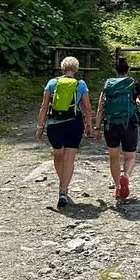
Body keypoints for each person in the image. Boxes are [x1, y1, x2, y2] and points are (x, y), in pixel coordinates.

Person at [36, 57, 93, 209]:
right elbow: (87, 107)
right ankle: (63, 190)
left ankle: (63, 185)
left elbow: (44, 106)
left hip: (54, 125)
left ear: (62, 68)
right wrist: (89, 125)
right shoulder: (80, 84)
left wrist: (40, 127)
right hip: (74, 124)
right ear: (76, 69)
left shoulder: (52, 83)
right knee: (69, 158)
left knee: (58, 155)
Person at [95, 56, 140, 202]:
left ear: (115, 70)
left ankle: (118, 187)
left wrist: (97, 128)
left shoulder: (108, 84)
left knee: (114, 157)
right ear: (128, 69)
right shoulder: (133, 83)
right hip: (128, 124)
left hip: (110, 125)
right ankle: (126, 176)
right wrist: (135, 101)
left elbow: (100, 108)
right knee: (130, 156)